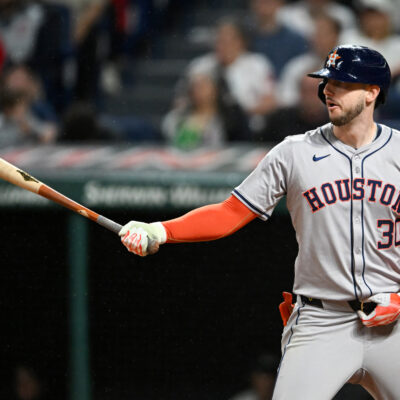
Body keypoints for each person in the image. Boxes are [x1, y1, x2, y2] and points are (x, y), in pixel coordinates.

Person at [118, 44, 400, 399]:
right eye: (327, 82)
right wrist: (161, 230)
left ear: (372, 92)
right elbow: (229, 213)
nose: (328, 90)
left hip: (394, 320)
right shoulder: (294, 152)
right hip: (322, 320)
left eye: (342, 83)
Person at [182, 17, 277, 137]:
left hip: (249, 127)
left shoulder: (257, 64)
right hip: (208, 125)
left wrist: (238, 114)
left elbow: (271, 101)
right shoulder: (200, 66)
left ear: (241, 42)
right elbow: (182, 100)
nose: (223, 45)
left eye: (229, 40)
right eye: (219, 40)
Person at [247, 0, 308, 78]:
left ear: (280, 3)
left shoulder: (296, 41)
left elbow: (302, 70)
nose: (264, 5)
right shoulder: (243, 38)